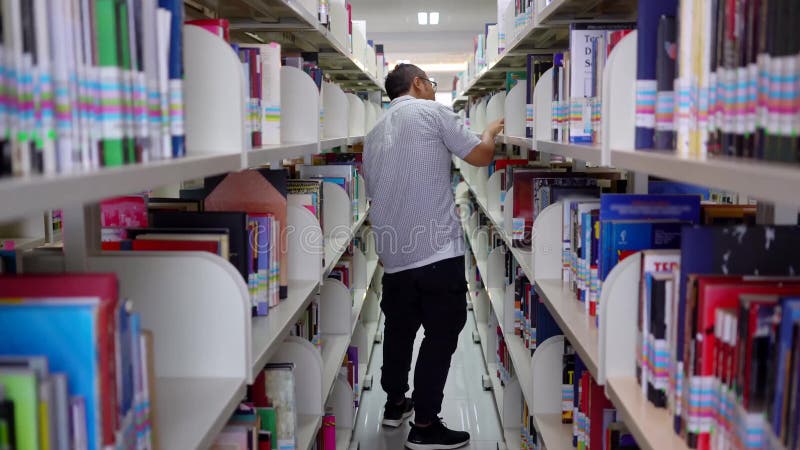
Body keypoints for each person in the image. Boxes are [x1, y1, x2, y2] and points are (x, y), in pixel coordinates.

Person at [362, 63, 504, 450]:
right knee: (441, 334)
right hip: (436, 250)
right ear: (419, 84)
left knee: (400, 328)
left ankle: (395, 404)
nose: (434, 90)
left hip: (393, 255)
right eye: (432, 84)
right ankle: (424, 424)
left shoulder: (373, 133)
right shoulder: (432, 112)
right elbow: (480, 157)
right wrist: (489, 132)